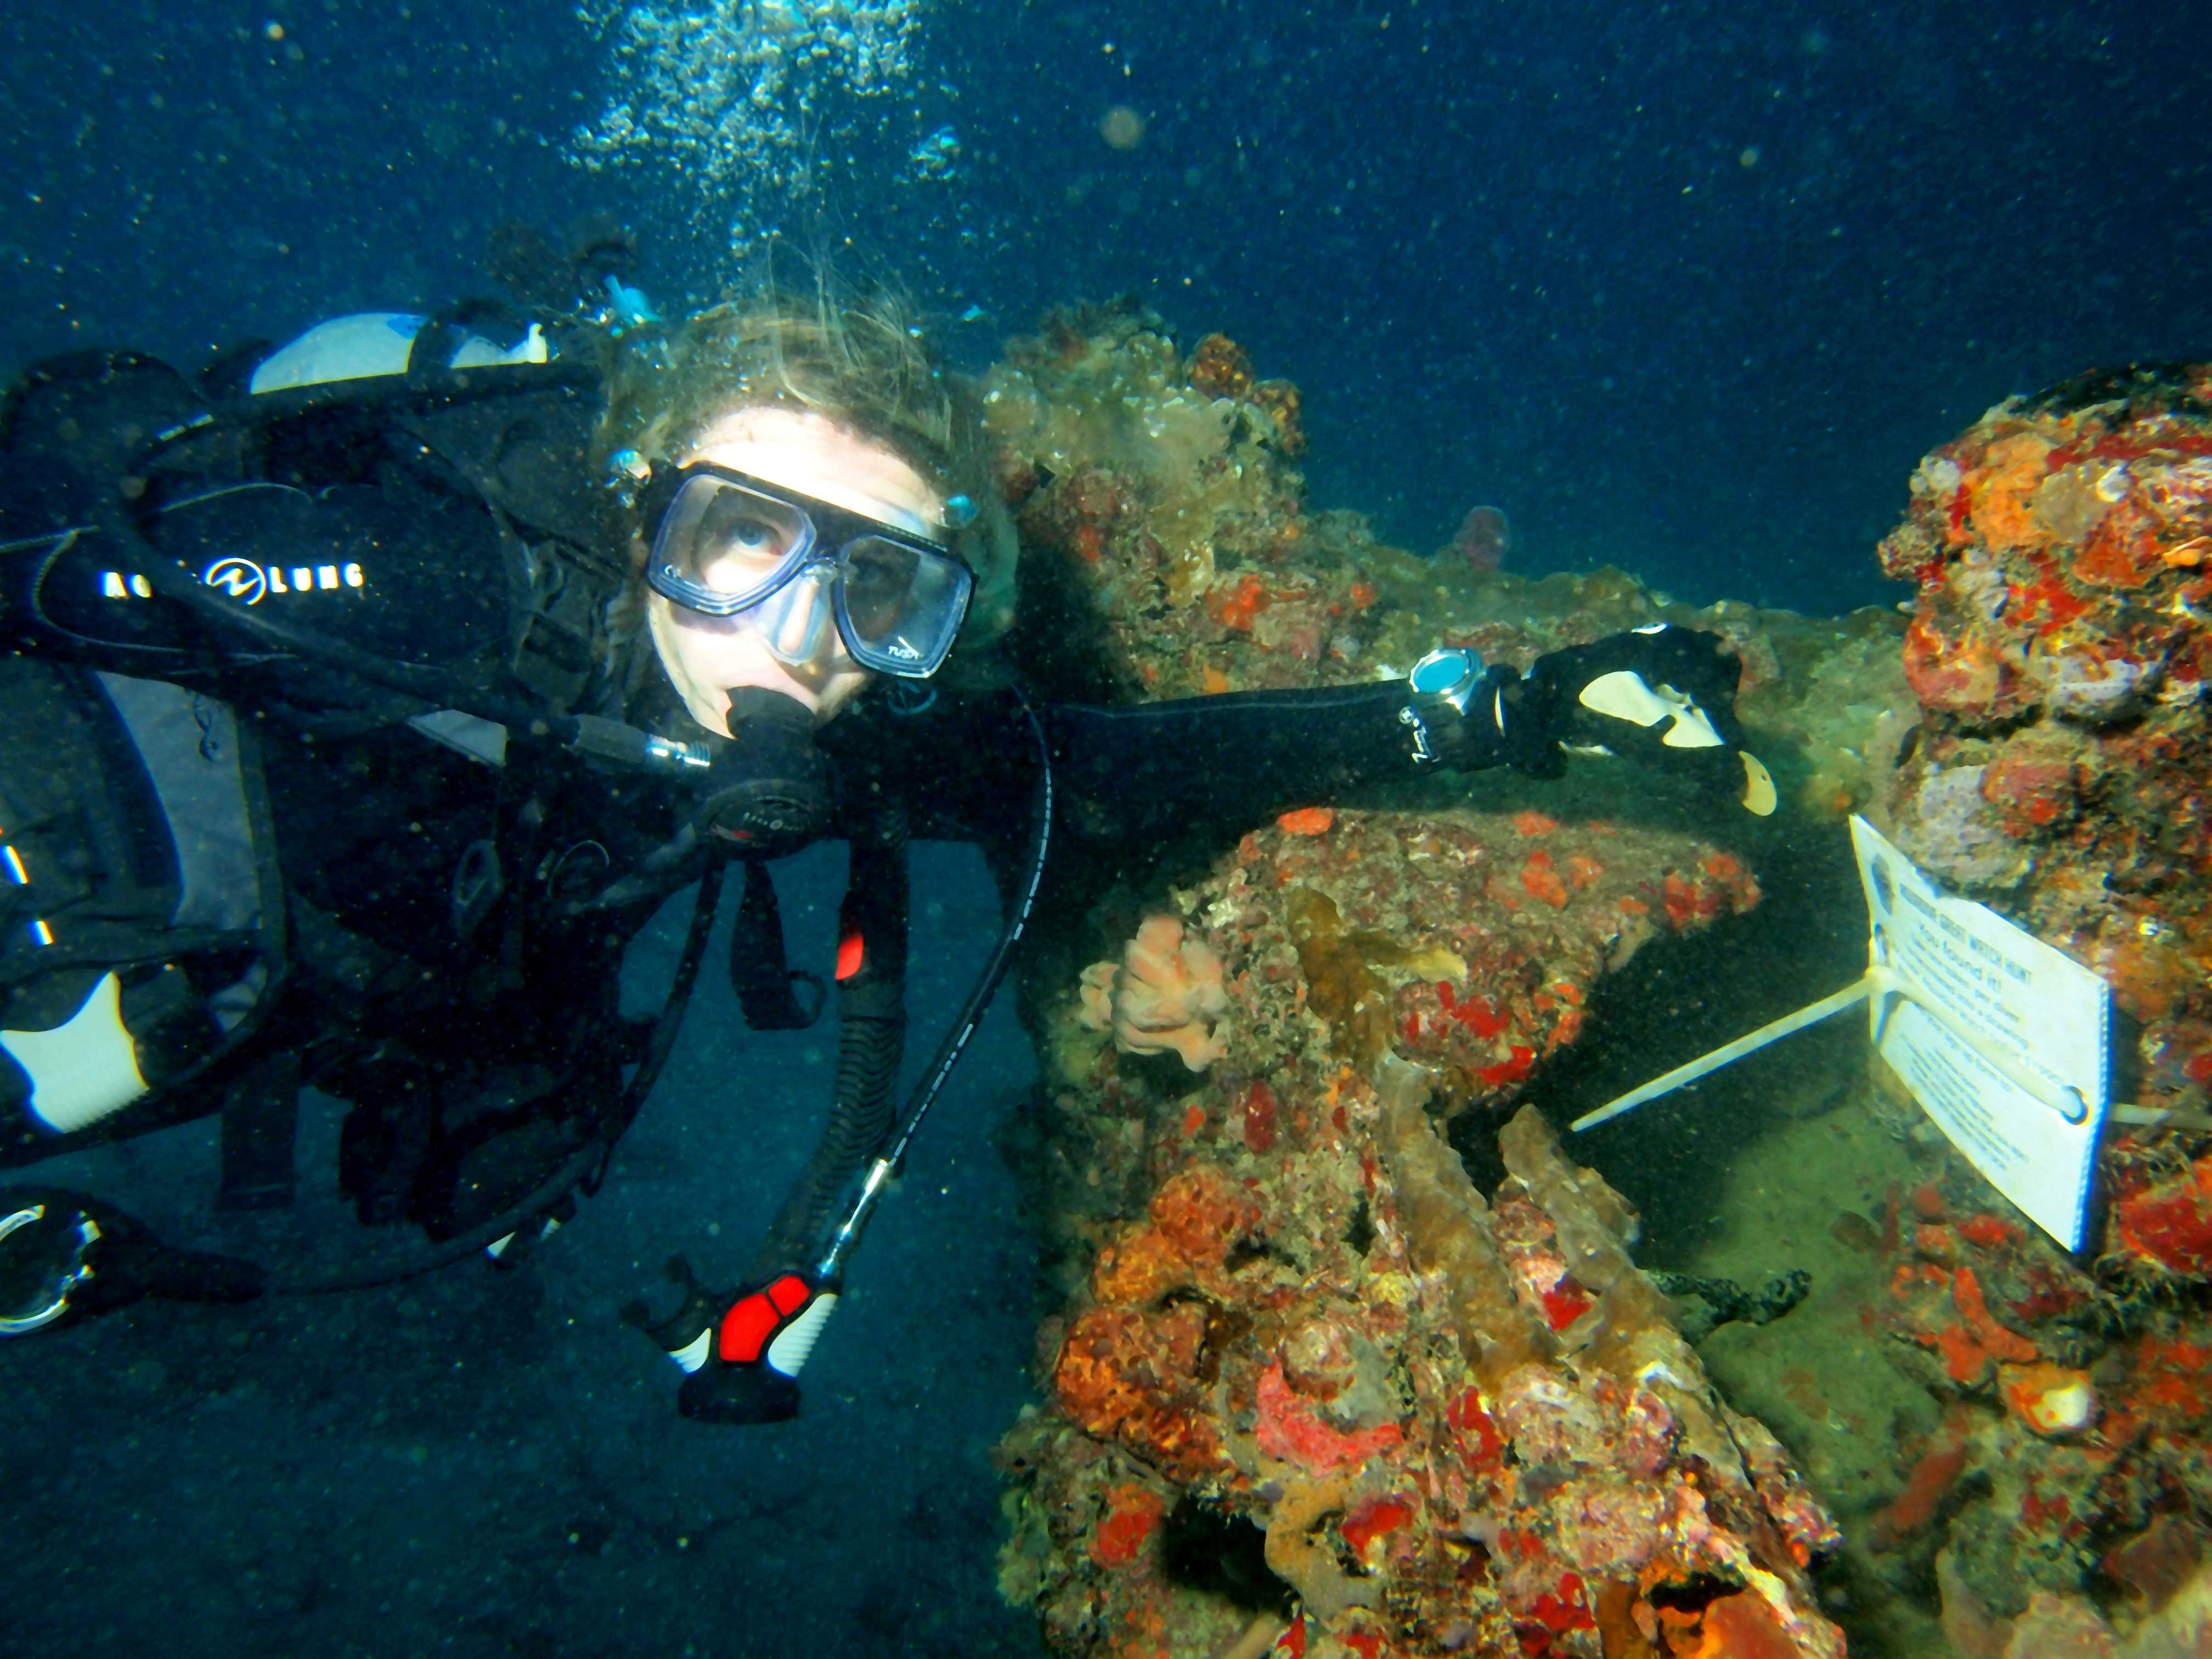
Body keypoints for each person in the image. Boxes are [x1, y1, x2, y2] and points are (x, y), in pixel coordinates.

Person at [0, 263, 1773, 1419]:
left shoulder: (833, 723)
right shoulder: (414, 604)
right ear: (637, 508)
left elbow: (1106, 761)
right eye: (737, 537)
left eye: (876, 588)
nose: (792, 634)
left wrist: (1486, 711)